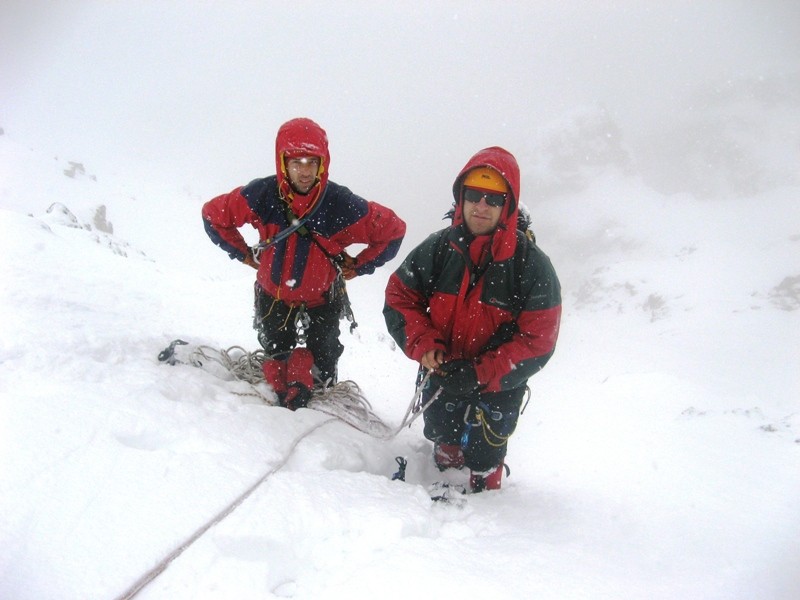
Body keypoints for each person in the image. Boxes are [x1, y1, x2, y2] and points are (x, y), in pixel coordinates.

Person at [383, 146, 561, 492]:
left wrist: (481, 372)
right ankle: (446, 466)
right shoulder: (437, 249)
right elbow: (400, 296)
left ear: (506, 206)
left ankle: (485, 488)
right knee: (440, 429)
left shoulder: (531, 266)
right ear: (461, 198)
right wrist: (425, 345)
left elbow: (540, 339)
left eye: (492, 199)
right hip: (443, 367)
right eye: (474, 196)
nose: (481, 206)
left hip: (498, 381)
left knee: (487, 445)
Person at [203, 117, 406, 409]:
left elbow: (393, 230)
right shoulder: (262, 195)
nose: (305, 171)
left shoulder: (341, 204)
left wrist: (360, 265)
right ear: (282, 162)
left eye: (312, 162)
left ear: (323, 163)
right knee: (278, 365)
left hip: (321, 300)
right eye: (296, 162)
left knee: (321, 378)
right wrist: (243, 253)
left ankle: (317, 418)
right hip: (274, 297)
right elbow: (214, 215)